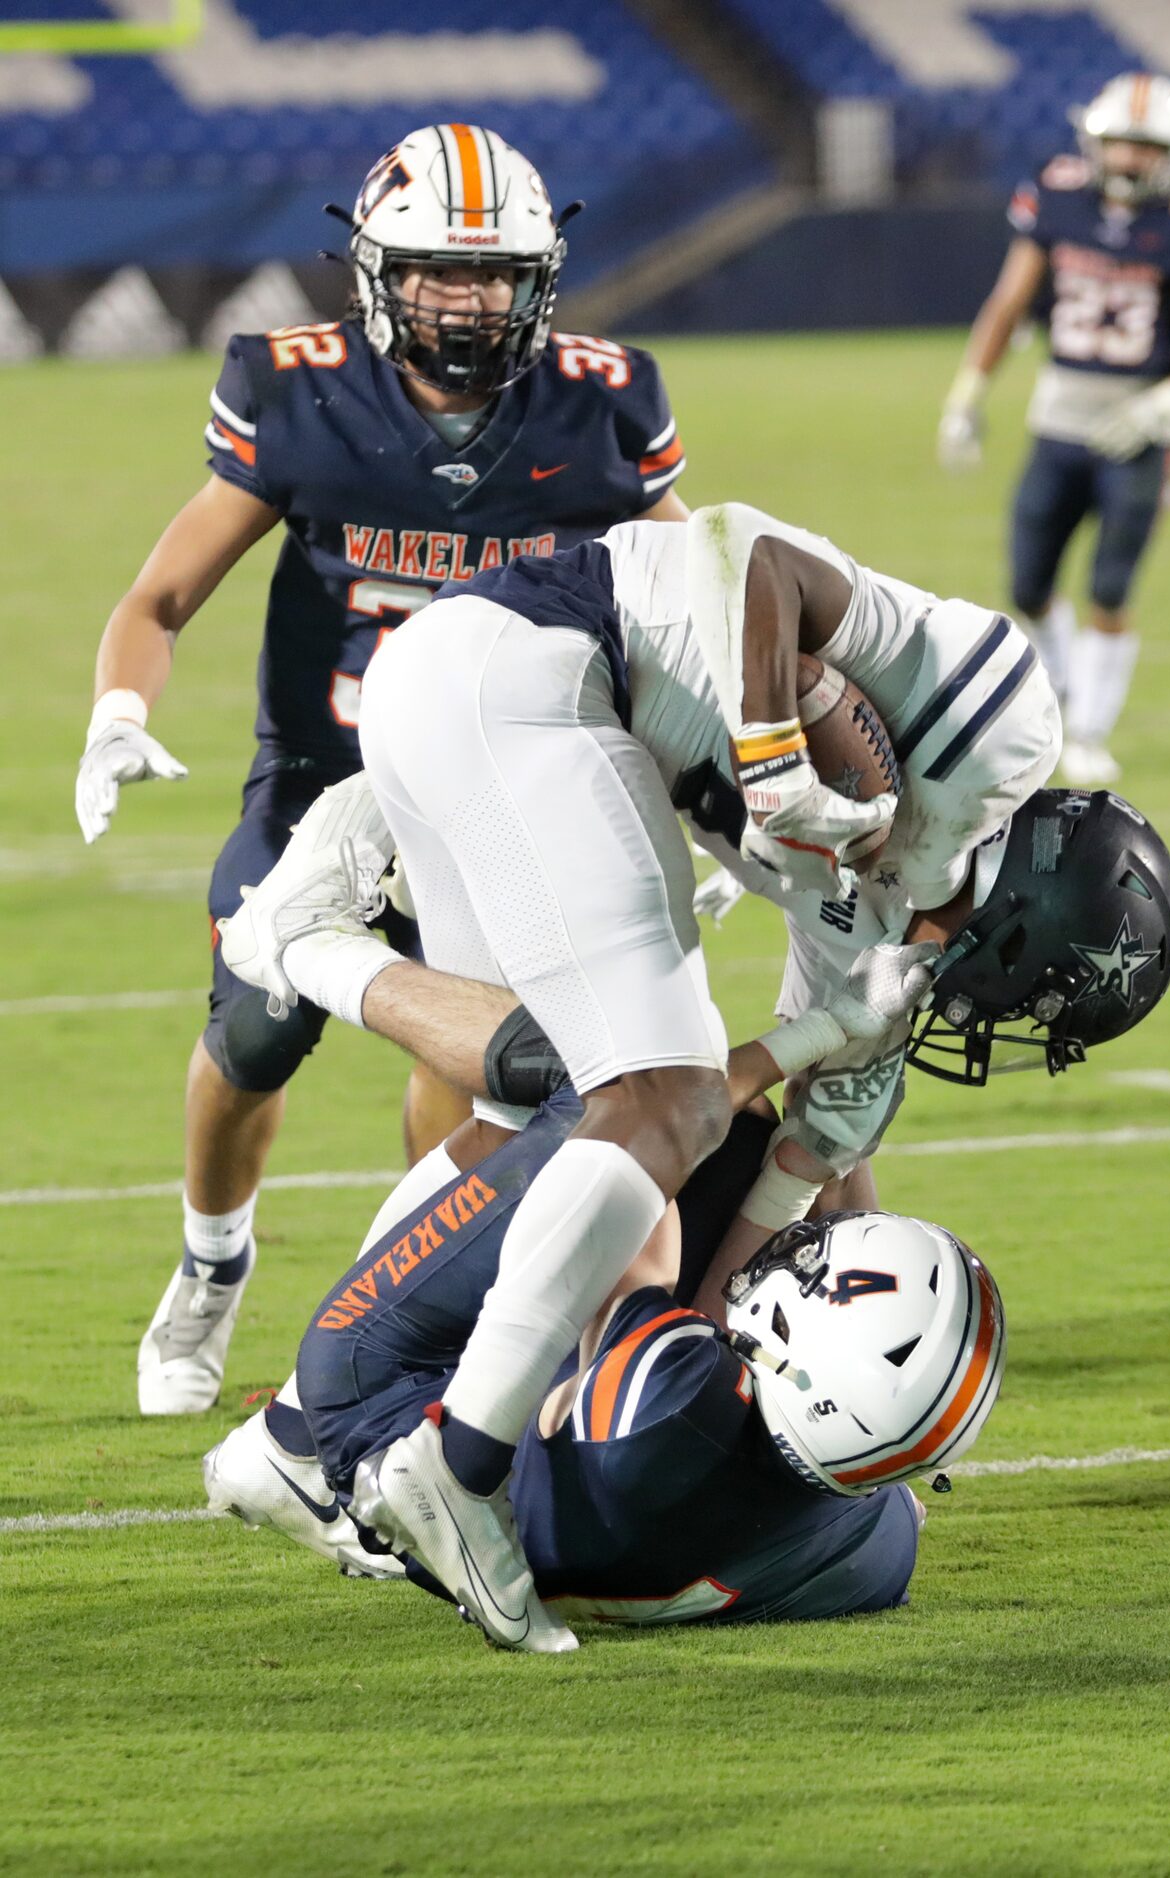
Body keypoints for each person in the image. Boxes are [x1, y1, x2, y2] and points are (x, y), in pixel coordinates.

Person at [216, 502, 1065, 1648]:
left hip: (474, 689)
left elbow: (779, 1171)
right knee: (655, 1099)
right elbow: (746, 552)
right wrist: (772, 750)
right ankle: (456, 1466)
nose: (960, 1002)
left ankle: (297, 1433)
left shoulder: (878, 936)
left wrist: (820, 1049)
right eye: (999, 983)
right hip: (536, 672)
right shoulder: (997, 727)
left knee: (566, 1107)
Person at [81, 125, 691, 1420]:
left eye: (491, 274)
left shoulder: (602, 400)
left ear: (541, 277)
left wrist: (720, 785)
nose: (464, 300)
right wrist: (118, 708)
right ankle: (210, 1262)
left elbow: (694, 603)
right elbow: (162, 593)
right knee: (255, 1029)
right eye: (434, 271)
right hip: (321, 783)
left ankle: (419, 1310)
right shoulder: (298, 389)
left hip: (492, 798)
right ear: (373, 270)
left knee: (489, 1070)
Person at [202, 957, 994, 1630]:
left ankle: (307, 948)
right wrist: (830, 1143)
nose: (804, 1245)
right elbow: (732, 1342)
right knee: (743, 1143)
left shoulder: (666, 1416)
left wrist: (819, 1034)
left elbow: (641, 1171)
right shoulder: (868, 1529)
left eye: (808, 1265)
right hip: (599, 1507)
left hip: (383, 1397)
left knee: (629, 1092)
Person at [938, 71, 1170, 787]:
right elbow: (1009, 303)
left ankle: (1088, 730)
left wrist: (1166, 400)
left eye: (1147, 146)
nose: (1132, 159)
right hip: (1057, 417)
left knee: (1111, 587)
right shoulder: (1055, 195)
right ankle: (1064, 691)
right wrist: (968, 392)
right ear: (1093, 142)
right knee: (1028, 583)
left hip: (1136, 433)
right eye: (1121, 143)